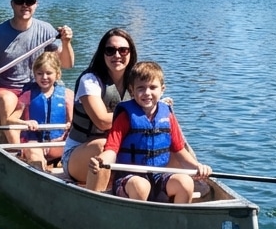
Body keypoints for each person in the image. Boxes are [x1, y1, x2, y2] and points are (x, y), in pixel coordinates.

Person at [87, 60, 211, 203]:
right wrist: (101, 161)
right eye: (141, 88)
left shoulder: (168, 116)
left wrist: (198, 167)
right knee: (141, 186)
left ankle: (175, 221)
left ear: (162, 89)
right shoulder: (125, 117)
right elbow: (112, 150)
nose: (147, 93)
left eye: (153, 87)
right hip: (130, 178)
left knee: (185, 183)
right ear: (132, 91)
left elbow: (180, 151)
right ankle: (139, 222)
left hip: (159, 175)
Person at [0, 0, 74, 144]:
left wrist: (66, 42)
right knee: (8, 99)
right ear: (12, 4)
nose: (25, 5)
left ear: (36, 4)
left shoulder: (46, 30)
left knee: (67, 95)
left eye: (29, 1)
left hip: (37, 87)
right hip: (5, 90)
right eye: (20, 1)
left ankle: (65, 144)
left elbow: (67, 64)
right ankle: (17, 151)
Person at [61, 27, 137, 184]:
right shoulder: (90, 81)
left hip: (119, 150)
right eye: (110, 50)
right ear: (103, 54)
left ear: (130, 53)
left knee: (163, 137)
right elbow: (101, 121)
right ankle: (99, 198)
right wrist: (138, 110)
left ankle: (195, 179)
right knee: (103, 146)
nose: (117, 55)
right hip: (79, 154)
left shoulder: (137, 82)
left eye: (123, 50)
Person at [17, 51, 74, 168]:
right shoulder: (27, 95)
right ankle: (41, 171)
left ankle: (62, 165)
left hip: (58, 142)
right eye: (40, 73)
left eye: (49, 73)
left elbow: (73, 121)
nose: (44, 77)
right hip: (33, 142)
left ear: (57, 74)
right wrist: (25, 122)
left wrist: (70, 125)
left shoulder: (67, 95)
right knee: (36, 158)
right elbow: (11, 119)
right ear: (34, 74)